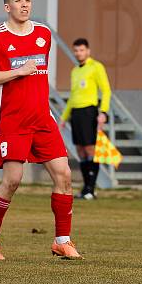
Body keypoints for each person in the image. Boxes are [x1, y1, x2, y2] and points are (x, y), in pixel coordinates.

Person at [0, 0, 81, 261]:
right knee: (12, 180)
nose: (24, 4)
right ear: (7, 7)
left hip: (42, 118)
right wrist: (18, 71)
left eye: (28, 0)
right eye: (18, 0)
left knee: (65, 175)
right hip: (12, 119)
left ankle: (62, 241)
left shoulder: (43, 33)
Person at [59, 38, 112, 200]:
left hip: (89, 111)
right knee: (80, 150)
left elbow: (106, 90)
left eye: (81, 50)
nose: (78, 53)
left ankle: (91, 187)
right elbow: (73, 96)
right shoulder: (75, 71)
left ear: (87, 51)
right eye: (76, 50)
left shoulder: (96, 67)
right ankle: (86, 187)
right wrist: (63, 117)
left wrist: (103, 112)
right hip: (76, 113)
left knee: (90, 149)